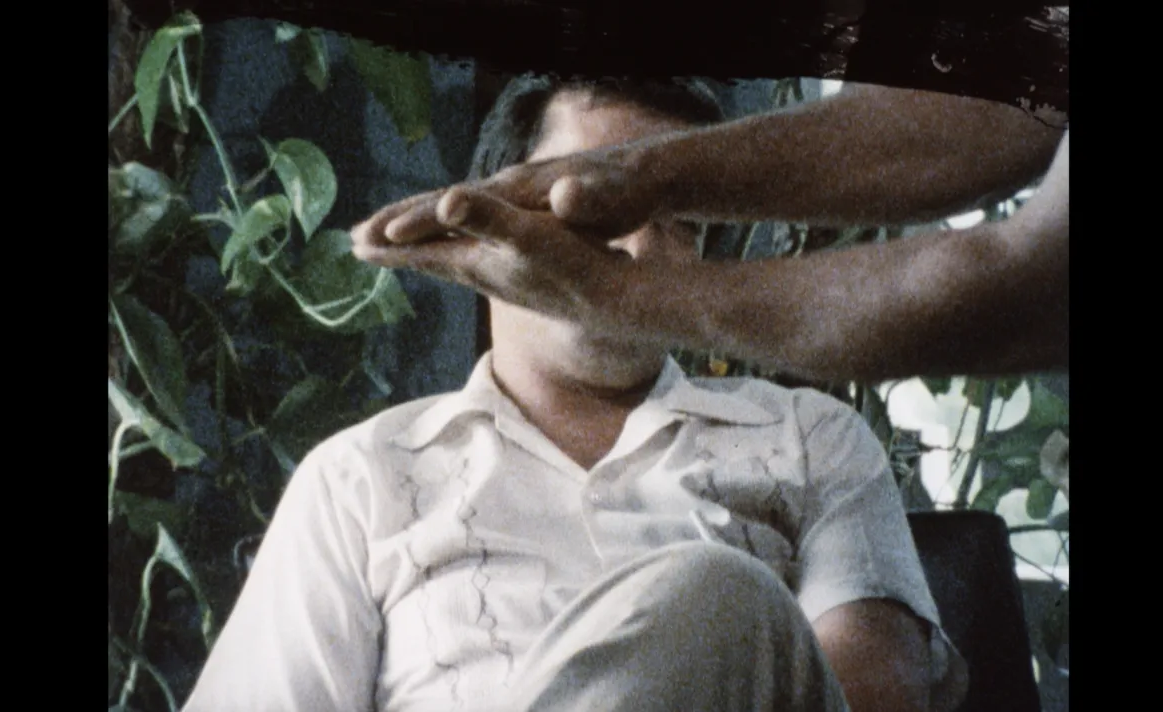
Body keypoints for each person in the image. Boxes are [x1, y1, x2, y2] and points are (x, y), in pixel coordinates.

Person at [185, 74, 967, 712]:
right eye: (591, 205)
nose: (639, 245)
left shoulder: (805, 437)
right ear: (487, 223)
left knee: (720, 598)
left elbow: (869, 697)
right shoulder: (363, 477)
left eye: (679, 220)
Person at [352, 81, 1068, 383]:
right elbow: (966, 120)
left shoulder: (807, 452)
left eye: (680, 227)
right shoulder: (359, 482)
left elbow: (1029, 292)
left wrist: (611, 291)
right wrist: (640, 174)